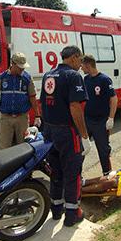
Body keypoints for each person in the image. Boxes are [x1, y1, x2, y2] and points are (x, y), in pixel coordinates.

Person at [40, 45, 90, 227]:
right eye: (80, 60)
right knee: (73, 172)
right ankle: (72, 213)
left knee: (56, 172)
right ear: (75, 57)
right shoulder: (73, 76)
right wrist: (84, 135)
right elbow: (75, 107)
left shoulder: (48, 75)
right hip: (67, 131)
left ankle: (56, 209)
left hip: (49, 130)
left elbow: (42, 103)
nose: (81, 64)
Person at [0, 52, 41, 150]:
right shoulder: (2, 78)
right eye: (20, 67)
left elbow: (32, 97)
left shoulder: (27, 79)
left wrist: (37, 116)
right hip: (6, 118)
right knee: (3, 147)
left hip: (22, 118)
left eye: (23, 67)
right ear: (12, 63)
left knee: (24, 146)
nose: (22, 69)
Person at [82, 54, 118, 176]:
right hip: (87, 120)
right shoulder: (85, 79)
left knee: (103, 149)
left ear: (88, 65)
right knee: (81, 148)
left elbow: (113, 99)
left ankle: (107, 173)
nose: (81, 68)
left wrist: (111, 118)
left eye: (83, 66)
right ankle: (77, 175)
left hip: (100, 121)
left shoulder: (104, 80)